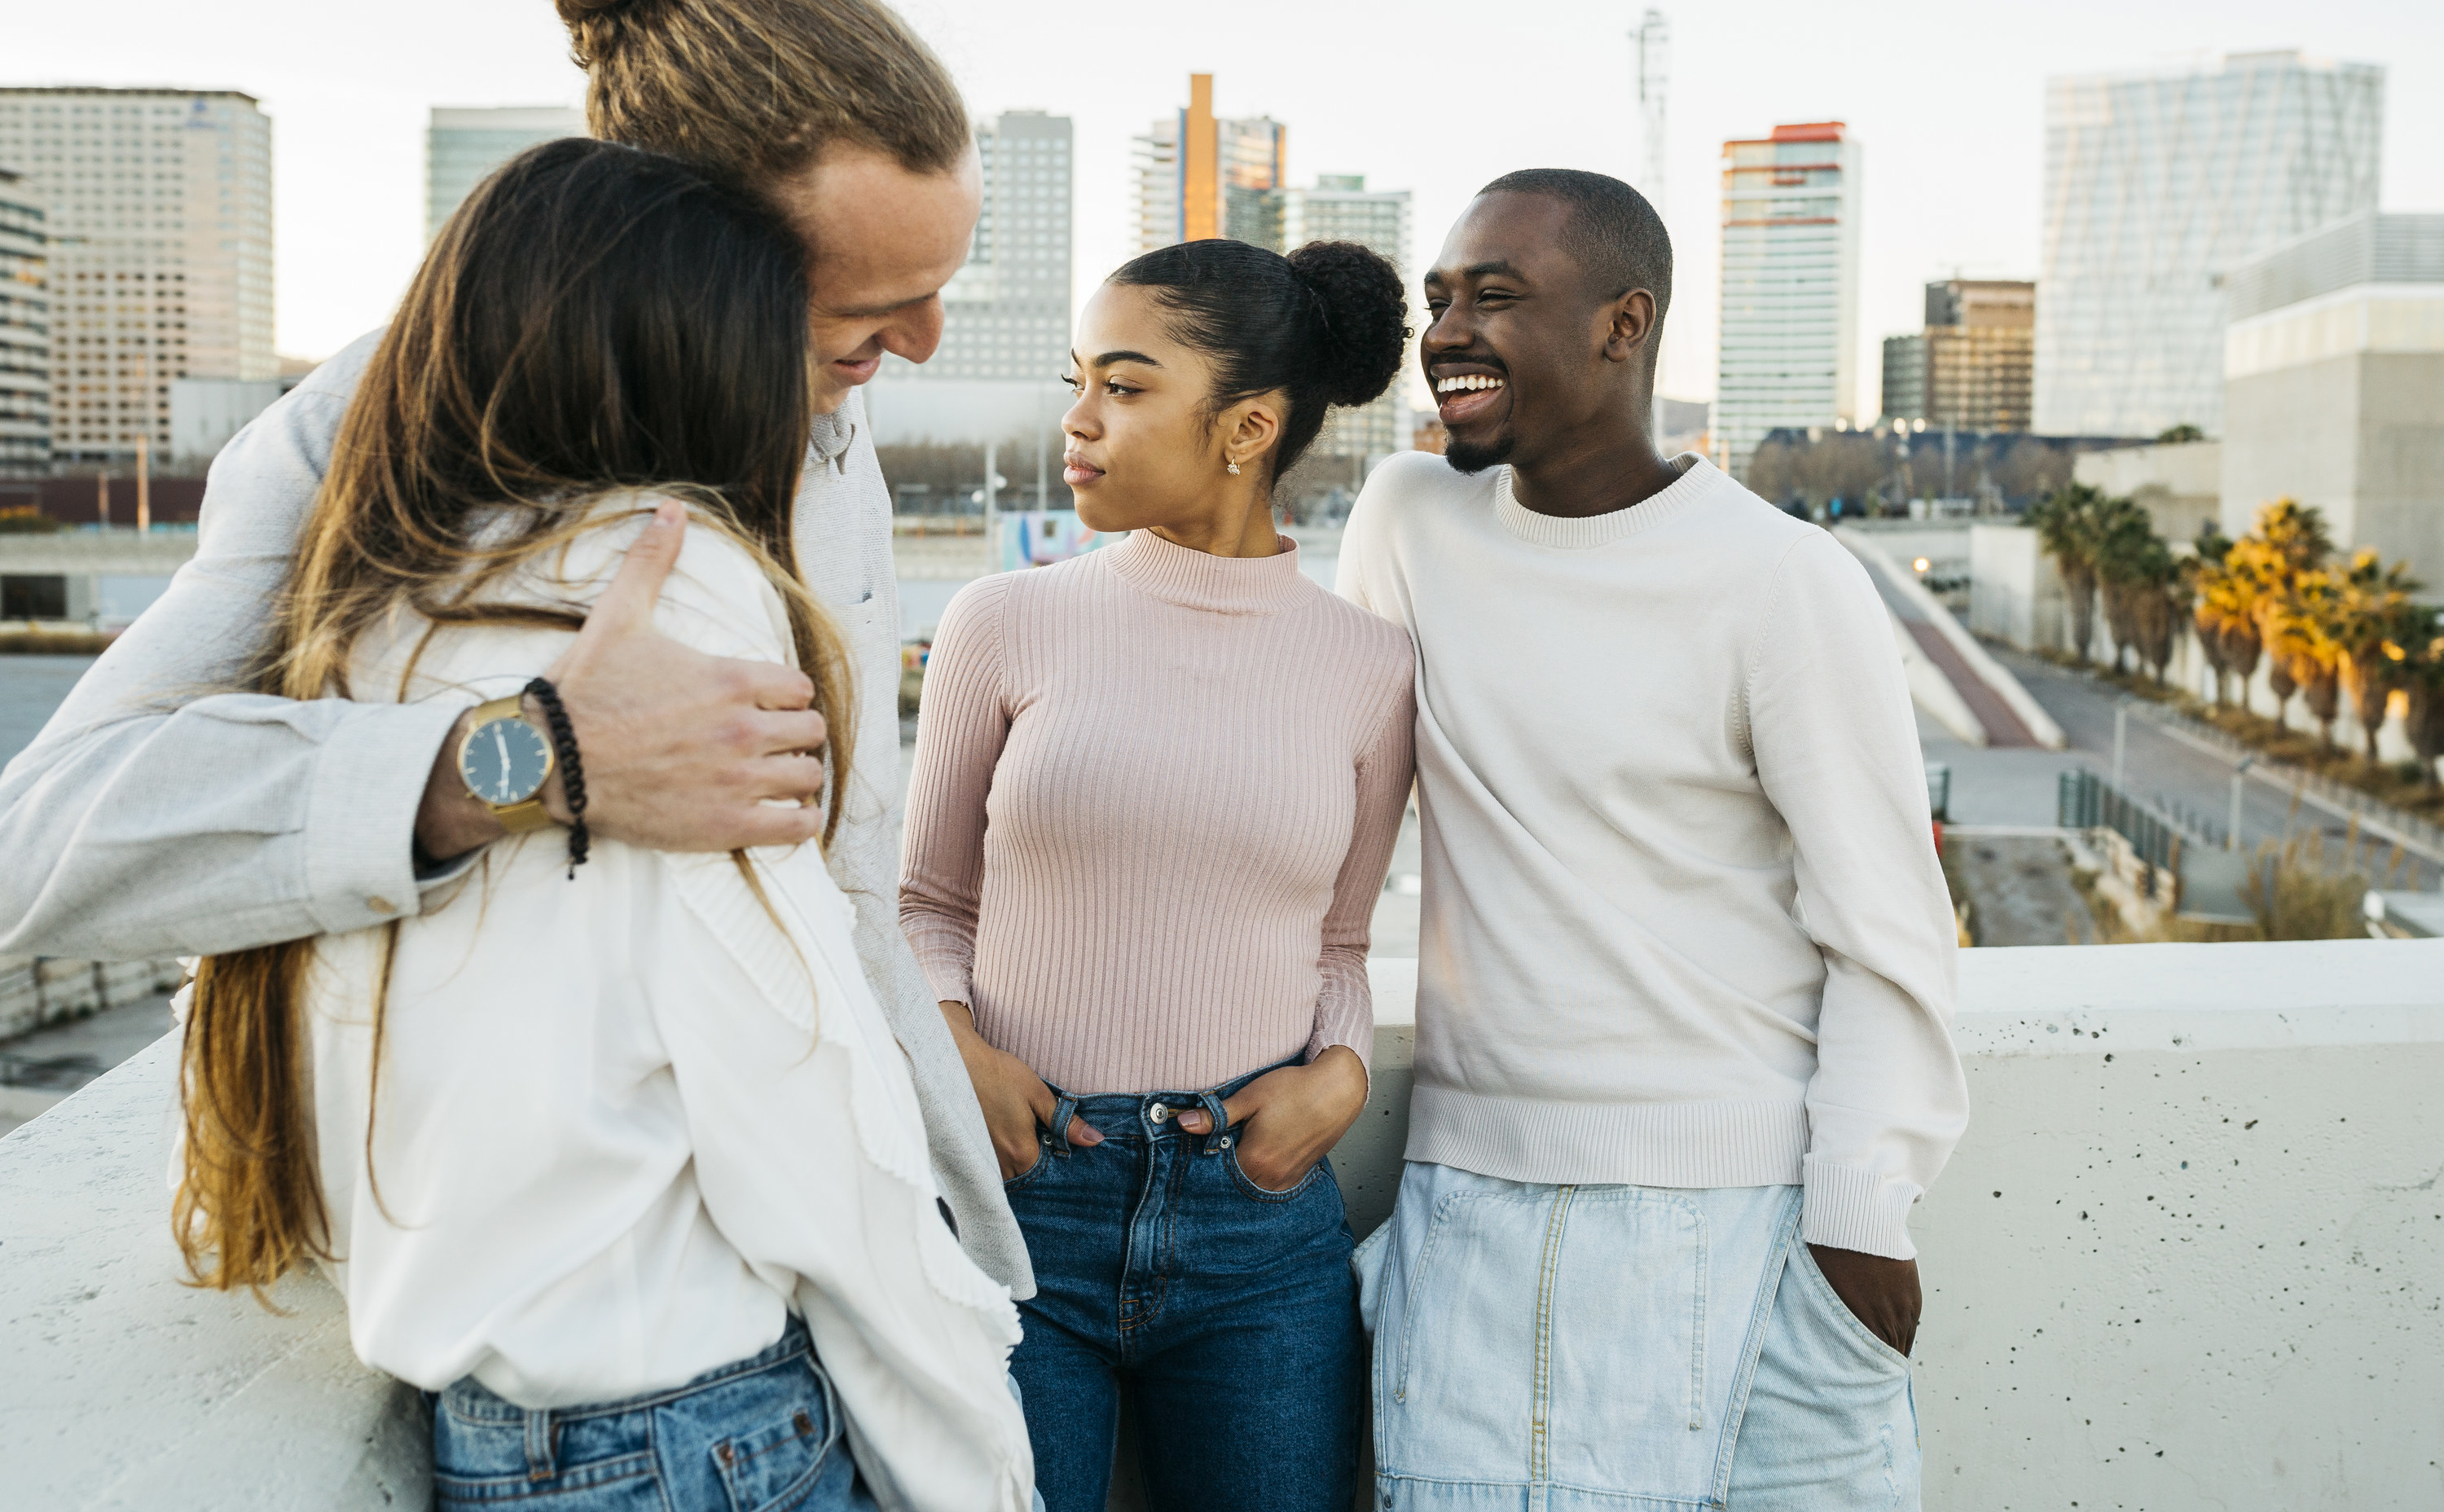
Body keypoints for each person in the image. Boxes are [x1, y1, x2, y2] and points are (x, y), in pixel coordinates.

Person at [0, 0, 1027, 1297]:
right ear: (676, 241)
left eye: (934, 291)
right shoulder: (371, 417)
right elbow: (44, 839)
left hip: (812, 1258)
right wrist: (526, 758)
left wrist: (949, 1233)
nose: (915, 346)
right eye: (862, 309)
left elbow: (845, 878)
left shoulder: (827, 433)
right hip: (560, 1312)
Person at [171, 137, 1031, 1510]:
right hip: (705, 1433)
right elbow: (803, 1099)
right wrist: (974, 1454)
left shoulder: (365, 618)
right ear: (690, 345)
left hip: (500, 1432)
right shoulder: (670, 594)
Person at [1335, 170, 1969, 1510]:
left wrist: (1858, 1226)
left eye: (1496, 298)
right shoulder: (1408, 520)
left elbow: (1889, 925)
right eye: (1440, 300)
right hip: (1469, 1221)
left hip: (1749, 1228)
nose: (1447, 330)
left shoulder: (1785, 579)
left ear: (1626, 325)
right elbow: (1319, 803)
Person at [900, 237, 1418, 1512]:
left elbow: (1340, 943)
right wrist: (956, 1045)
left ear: (1247, 426)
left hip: (1257, 1227)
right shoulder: (1001, 622)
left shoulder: (1372, 667)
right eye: (1078, 380)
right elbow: (925, 905)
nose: (1078, 422)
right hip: (1016, 1207)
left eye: (1124, 388)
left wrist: (1342, 1072)